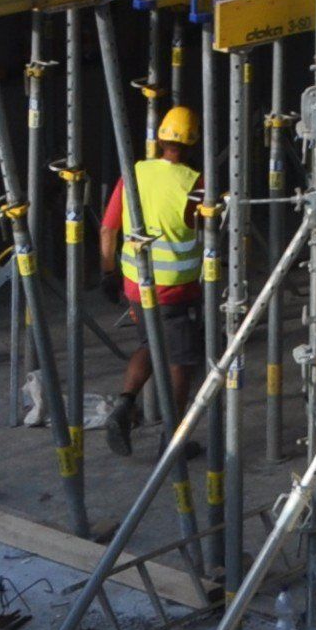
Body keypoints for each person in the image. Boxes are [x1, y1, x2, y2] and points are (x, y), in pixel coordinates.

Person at [98, 104, 205, 456]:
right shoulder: (194, 183)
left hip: (137, 285)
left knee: (148, 344)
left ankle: (125, 405)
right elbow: (210, 230)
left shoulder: (135, 174)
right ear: (192, 144)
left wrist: (109, 272)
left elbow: (108, 229)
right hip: (177, 290)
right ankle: (170, 442)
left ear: (160, 140)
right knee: (180, 362)